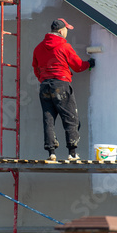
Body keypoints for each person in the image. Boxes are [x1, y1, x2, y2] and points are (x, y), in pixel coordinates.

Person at [32, 18, 95, 161]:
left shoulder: (38, 47)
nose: (67, 32)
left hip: (44, 86)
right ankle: (72, 154)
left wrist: (43, 79)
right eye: (67, 29)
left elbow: (36, 68)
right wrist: (89, 64)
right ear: (61, 31)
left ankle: (51, 153)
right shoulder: (64, 46)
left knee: (48, 119)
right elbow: (78, 66)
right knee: (71, 118)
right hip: (60, 85)